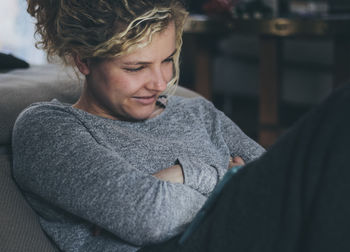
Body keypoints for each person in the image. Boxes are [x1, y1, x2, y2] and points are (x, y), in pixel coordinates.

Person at [11, 0, 350, 252]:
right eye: (136, 67)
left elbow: (276, 183)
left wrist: (180, 175)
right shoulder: (47, 128)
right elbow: (152, 218)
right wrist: (223, 176)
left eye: (168, 60)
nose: (159, 82)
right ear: (82, 59)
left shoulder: (196, 112)